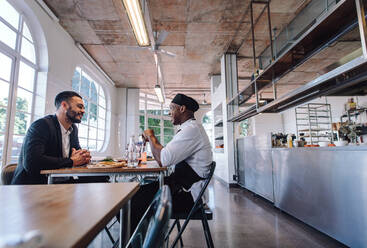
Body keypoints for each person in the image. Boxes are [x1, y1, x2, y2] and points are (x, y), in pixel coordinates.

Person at [131, 93, 212, 229]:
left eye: (171, 108)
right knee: (134, 195)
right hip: (182, 189)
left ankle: (139, 242)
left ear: (182, 109)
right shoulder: (189, 129)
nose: (169, 113)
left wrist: (150, 135)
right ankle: (140, 238)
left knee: (131, 201)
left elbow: (164, 159)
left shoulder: (191, 130)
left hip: (189, 197)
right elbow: (167, 153)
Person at [11, 91, 92, 185]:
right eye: (80, 106)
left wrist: (84, 157)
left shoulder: (73, 129)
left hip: (59, 183)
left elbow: (77, 155)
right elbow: (32, 162)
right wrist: (71, 161)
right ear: (64, 105)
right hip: (33, 186)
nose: (83, 111)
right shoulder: (41, 125)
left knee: (100, 181)